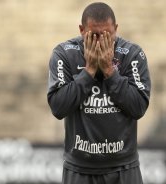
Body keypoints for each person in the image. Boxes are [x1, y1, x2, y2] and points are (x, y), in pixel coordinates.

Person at [47, 2, 151, 184]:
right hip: (79, 169)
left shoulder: (132, 55)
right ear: (81, 30)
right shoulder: (64, 54)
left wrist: (110, 71)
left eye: (107, 35)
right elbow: (58, 107)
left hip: (124, 168)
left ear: (116, 29)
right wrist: (89, 71)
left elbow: (138, 107)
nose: (100, 42)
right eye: (94, 35)